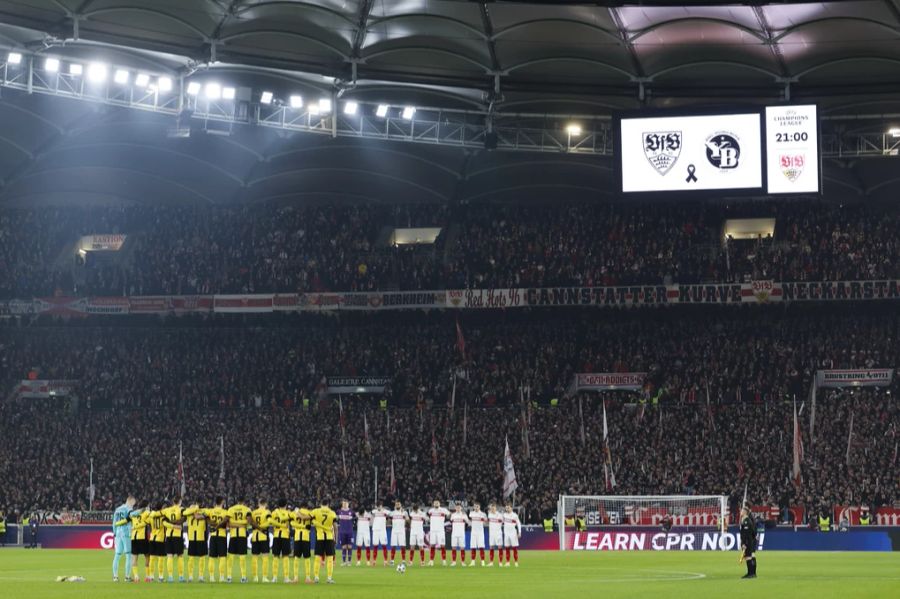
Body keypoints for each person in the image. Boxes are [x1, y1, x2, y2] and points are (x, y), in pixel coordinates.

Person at [310, 498, 337, 584]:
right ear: (328, 504)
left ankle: (316, 577)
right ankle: (329, 578)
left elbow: (309, 518)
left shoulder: (316, 511)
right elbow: (335, 526)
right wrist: (335, 538)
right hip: (329, 537)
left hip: (320, 537)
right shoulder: (332, 513)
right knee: (330, 558)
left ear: (321, 503)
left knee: (318, 557)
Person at [111, 494, 137, 582]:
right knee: (128, 555)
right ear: (130, 501)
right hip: (126, 533)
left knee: (117, 555)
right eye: (133, 503)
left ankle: (115, 576)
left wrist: (114, 533)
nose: (133, 505)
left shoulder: (117, 509)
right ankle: (127, 577)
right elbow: (132, 517)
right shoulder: (129, 509)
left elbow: (114, 522)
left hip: (118, 534)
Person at [227, 497, 252, 583]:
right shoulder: (247, 509)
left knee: (231, 557)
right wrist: (242, 525)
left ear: (237, 501)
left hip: (233, 535)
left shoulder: (231, 509)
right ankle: (244, 577)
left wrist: (235, 524)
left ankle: (229, 577)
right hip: (242, 535)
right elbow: (249, 522)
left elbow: (229, 523)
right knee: (242, 557)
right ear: (243, 502)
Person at [205, 496, 229, 583]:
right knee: (222, 557)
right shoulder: (225, 512)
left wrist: (211, 524)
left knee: (211, 557)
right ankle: (221, 577)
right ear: (222, 502)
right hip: (222, 536)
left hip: (213, 536)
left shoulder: (211, 511)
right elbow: (227, 522)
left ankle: (211, 577)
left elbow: (206, 517)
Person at [162, 496, 185, 582]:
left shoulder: (167, 510)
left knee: (169, 556)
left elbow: (164, 521)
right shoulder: (181, 509)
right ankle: (181, 576)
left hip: (168, 535)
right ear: (180, 501)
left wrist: (171, 523)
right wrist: (176, 523)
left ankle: (170, 577)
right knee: (180, 556)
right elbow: (185, 517)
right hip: (177, 535)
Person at [268, 498, 292, 583]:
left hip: (276, 535)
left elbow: (270, 521)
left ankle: (274, 577)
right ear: (286, 505)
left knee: (275, 556)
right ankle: (286, 578)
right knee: (285, 556)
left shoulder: (274, 513)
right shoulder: (288, 513)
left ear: (278, 505)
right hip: (285, 535)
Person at [183, 501, 208, 582]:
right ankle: (195, 576)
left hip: (196, 536)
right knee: (199, 557)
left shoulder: (190, 512)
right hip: (198, 536)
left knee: (194, 557)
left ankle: (195, 576)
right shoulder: (202, 512)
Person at [292, 500, 313, 583]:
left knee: (296, 557)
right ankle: (307, 578)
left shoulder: (295, 513)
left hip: (297, 536)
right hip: (305, 537)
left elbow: (291, 523)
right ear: (306, 506)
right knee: (307, 557)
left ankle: (295, 578)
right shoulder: (309, 512)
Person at [250, 499, 271, 582]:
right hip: (264, 536)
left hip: (255, 536)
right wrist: (262, 527)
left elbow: (251, 522)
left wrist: (258, 527)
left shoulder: (254, 512)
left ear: (258, 504)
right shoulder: (267, 512)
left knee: (254, 557)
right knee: (265, 556)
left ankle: (255, 577)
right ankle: (264, 577)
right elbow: (269, 522)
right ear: (265, 504)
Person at [128, 500, 149, 582]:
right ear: (146, 506)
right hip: (142, 537)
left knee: (134, 558)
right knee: (147, 556)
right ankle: (147, 576)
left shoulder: (133, 514)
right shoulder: (146, 512)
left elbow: (127, 518)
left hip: (134, 537)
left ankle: (136, 577)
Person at [148, 501, 167, 582]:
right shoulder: (164, 517)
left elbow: (148, 524)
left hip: (152, 538)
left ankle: (151, 576)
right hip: (160, 539)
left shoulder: (151, 516)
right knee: (160, 559)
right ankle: (161, 576)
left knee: (152, 558)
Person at [427, 499, 449, 566]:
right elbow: (427, 517)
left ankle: (444, 561)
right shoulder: (430, 511)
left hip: (440, 531)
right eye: (435, 503)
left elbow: (449, 515)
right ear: (433, 504)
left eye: (437, 503)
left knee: (442, 545)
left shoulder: (443, 510)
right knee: (432, 545)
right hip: (433, 530)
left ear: (439, 504)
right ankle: (431, 561)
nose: (436, 504)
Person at [739, 506, 758, 579]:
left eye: (741, 511)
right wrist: (753, 539)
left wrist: (744, 543)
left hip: (747, 542)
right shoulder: (747, 520)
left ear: (744, 512)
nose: (740, 512)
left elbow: (745, 534)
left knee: (748, 557)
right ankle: (753, 573)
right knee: (751, 556)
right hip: (750, 541)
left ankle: (750, 574)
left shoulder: (746, 521)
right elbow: (753, 532)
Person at [388, 500, 409, 565]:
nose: (397, 505)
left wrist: (406, 523)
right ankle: (392, 561)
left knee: (402, 546)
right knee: (393, 546)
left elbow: (408, 520)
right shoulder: (392, 513)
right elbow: (388, 520)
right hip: (394, 531)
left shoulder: (404, 512)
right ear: (395, 505)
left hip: (401, 531)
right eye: (396, 504)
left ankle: (403, 560)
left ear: (401, 505)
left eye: (398, 504)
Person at [502, 502, 521, 567]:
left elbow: (518, 524)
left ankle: (516, 562)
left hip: (513, 533)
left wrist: (519, 532)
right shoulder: (504, 515)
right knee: (507, 548)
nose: (507, 509)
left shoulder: (515, 515)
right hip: (506, 533)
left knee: (514, 548)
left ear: (511, 508)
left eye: (508, 508)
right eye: (506, 508)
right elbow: (502, 522)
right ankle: (507, 562)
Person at [468, 501, 487, 566]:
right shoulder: (471, 513)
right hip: (473, 532)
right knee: (473, 547)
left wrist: (483, 523)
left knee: (481, 547)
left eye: (477, 506)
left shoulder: (483, 514)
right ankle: (473, 562)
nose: (476, 508)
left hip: (480, 533)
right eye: (475, 506)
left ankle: (483, 561)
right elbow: (469, 521)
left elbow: (485, 523)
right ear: (473, 507)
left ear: (479, 507)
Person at [370, 500, 389, 566]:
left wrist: (383, 510)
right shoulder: (374, 511)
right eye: (378, 505)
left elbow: (390, 513)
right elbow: (371, 512)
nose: (379, 507)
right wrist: (377, 509)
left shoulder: (385, 511)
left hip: (382, 530)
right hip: (375, 530)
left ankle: (385, 561)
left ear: (382, 505)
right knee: (375, 545)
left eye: (380, 505)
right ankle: (374, 561)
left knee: (384, 545)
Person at [336, 500, 354, 567]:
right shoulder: (339, 511)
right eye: (343, 503)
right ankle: (344, 562)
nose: (345, 504)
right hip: (342, 531)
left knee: (349, 547)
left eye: (346, 503)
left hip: (350, 531)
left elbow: (356, 518)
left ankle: (349, 561)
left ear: (348, 504)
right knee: (343, 547)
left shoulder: (351, 512)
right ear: (342, 504)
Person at [487, 503, 503, 567]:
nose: (492, 509)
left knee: (499, 547)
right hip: (491, 533)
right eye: (491, 508)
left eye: (494, 508)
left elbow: (502, 523)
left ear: (496, 508)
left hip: (498, 533)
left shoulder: (500, 515)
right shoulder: (489, 514)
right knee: (491, 547)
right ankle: (491, 562)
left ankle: (500, 562)